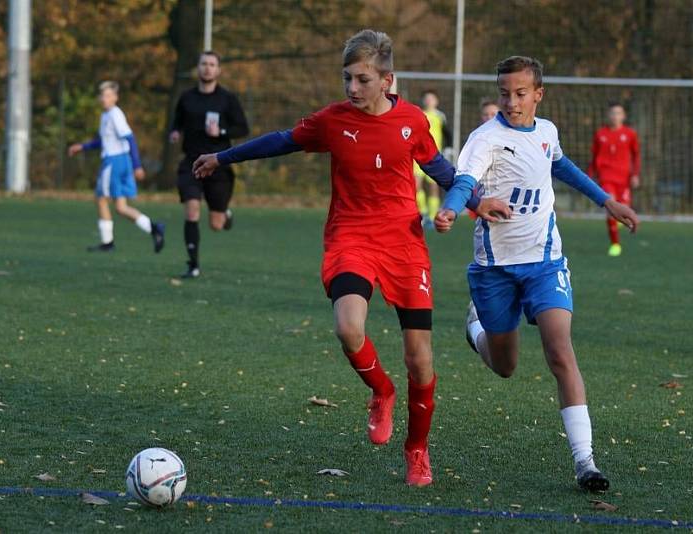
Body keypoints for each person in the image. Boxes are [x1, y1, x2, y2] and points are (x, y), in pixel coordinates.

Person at [193, 30, 509, 487]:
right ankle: (381, 391)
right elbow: (280, 140)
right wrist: (222, 158)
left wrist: (479, 202)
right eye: (347, 78)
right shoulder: (332, 121)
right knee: (347, 326)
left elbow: (440, 170)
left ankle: (416, 449)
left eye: (362, 79)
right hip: (351, 236)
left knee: (420, 360)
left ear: (387, 80)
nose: (352, 88)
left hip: (403, 243)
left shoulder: (413, 121)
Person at [434, 56, 639, 492]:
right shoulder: (485, 137)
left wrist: (607, 201)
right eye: (504, 93)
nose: (511, 101)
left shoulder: (546, 132)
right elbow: (464, 181)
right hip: (495, 269)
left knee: (560, 350)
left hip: (546, 262)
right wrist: (452, 208)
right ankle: (476, 331)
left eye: (520, 93)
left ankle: (586, 462)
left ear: (538, 94)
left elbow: (560, 166)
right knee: (505, 366)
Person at [169, 51, 249, 279]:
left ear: (218, 70)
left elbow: (243, 128)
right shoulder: (186, 98)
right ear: (198, 67)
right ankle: (192, 265)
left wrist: (221, 131)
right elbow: (177, 122)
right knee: (192, 209)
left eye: (212, 64)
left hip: (218, 164)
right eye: (203, 63)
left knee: (216, 223)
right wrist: (175, 132)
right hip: (191, 163)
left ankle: (225, 213)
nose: (207, 68)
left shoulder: (227, 99)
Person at [68, 81, 165, 253]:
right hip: (121, 161)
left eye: (108, 95)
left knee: (101, 198)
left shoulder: (114, 114)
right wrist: (82, 147)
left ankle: (107, 243)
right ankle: (154, 228)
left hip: (114, 162)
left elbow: (130, 138)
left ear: (115, 97)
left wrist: (137, 165)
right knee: (120, 207)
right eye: (102, 95)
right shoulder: (106, 115)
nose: (104, 99)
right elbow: (102, 141)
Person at [587, 102, 640, 257]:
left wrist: (635, 174)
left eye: (618, 113)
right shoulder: (600, 134)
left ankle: (618, 222)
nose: (615, 116)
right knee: (611, 208)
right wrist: (589, 176)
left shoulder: (630, 134)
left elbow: (636, 156)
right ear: (608, 115)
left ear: (623, 116)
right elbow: (594, 157)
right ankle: (615, 244)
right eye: (612, 113)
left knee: (624, 209)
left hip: (624, 178)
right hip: (606, 177)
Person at [414, 90, 451, 228]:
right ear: (423, 100)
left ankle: (431, 216)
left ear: (436, 101)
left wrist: (448, 149)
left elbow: (448, 134)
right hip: (417, 155)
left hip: (434, 156)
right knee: (415, 184)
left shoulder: (440, 116)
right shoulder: (418, 114)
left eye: (432, 99)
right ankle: (422, 212)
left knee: (433, 187)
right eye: (427, 98)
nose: (429, 101)